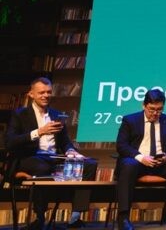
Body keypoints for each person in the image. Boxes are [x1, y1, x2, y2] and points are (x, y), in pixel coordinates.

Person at [4, 77, 98, 229]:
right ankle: (39, 217)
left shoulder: (56, 114)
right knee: (43, 168)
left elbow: (65, 141)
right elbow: (10, 142)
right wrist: (39, 132)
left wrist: (71, 151)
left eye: (48, 92)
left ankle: (75, 217)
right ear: (31, 94)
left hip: (54, 157)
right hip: (30, 157)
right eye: (41, 92)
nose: (46, 95)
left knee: (89, 164)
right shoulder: (20, 114)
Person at [115, 89, 166, 230]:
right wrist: (141, 157)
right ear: (144, 105)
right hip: (137, 162)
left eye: (159, 110)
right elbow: (121, 145)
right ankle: (124, 219)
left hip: (160, 163)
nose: (155, 113)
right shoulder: (130, 120)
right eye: (151, 109)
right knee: (128, 165)